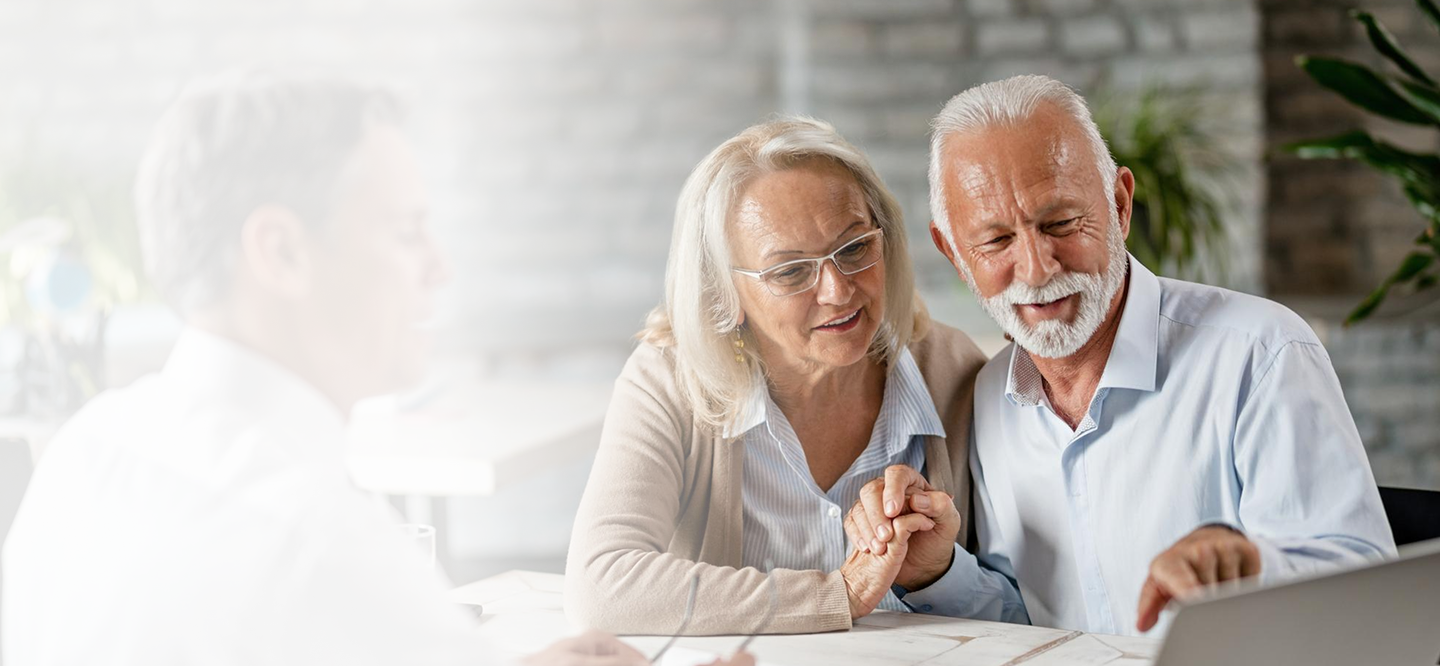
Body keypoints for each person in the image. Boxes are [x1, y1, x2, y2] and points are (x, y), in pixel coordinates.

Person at [1, 70, 747, 666]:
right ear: (282, 252)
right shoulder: (323, 547)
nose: (439, 268)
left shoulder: (89, 448)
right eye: (406, 232)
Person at [845, 74, 1397, 636]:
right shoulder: (991, 397)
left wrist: (1250, 569)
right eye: (995, 242)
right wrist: (935, 571)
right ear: (956, 255)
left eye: (1060, 222)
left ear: (1120, 204)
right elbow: (1029, 621)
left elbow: (1370, 596)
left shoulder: (1260, 353)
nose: (1037, 269)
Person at [565, 117, 1020, 636]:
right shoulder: (670, 381)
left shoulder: (954, 370)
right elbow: (601, 586)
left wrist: (937, 575)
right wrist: (838, 595)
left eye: (854, 249)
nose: (837, 291)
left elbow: (1024, 610)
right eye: (789, 271)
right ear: (725, 295)